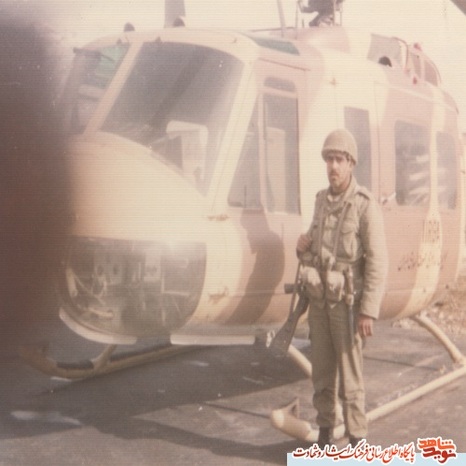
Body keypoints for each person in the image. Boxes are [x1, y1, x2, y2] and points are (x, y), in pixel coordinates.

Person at [296, 128, 388, 448]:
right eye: (329, 160)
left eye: (338, 160)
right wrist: (302, 248)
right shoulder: (321, 201)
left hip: (347, 307)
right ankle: (324, 436)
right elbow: (314, 248)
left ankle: (358, 441)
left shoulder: (364, 206)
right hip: (320, 303)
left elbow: (378, 261)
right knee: (322, 374)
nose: (333, 166)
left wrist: (368, 311)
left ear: (351, 163)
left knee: (351, 379)